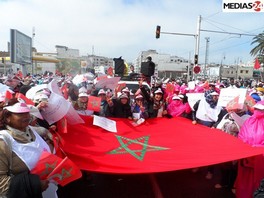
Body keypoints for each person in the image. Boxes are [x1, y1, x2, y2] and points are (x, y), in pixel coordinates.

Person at [0, 102, 56, 198]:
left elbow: (42, 131)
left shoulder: (30, 129)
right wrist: (34, 185)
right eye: (20, 114)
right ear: (8, 118)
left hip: (47, 191)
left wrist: (49, 136)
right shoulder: (3, 142)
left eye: (27, 113)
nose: (26, 116)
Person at [235, 100, 264, 198]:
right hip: (246, 159)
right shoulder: (249, 121)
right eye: (256, 109)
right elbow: (241, 136)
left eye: (261, 109)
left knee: (258, 183)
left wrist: (256, 149)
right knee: (244, 183)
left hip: (260, 161)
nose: (258, 111)